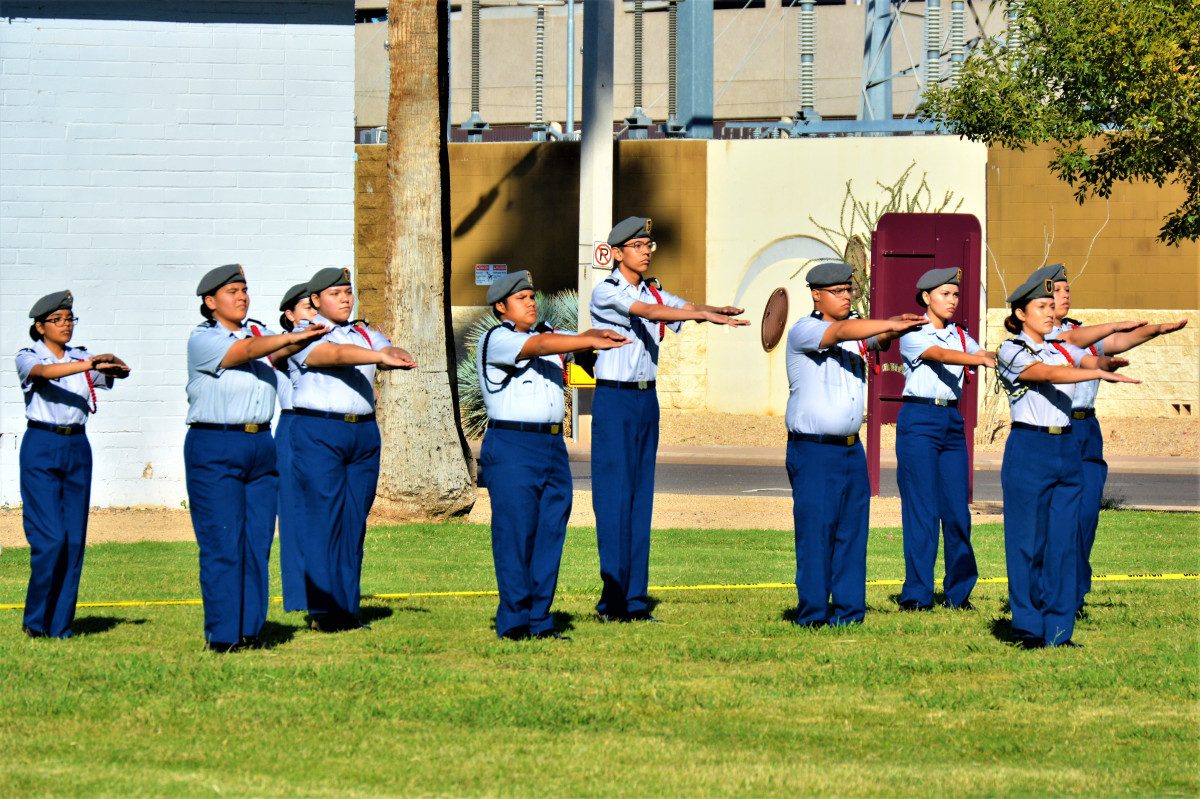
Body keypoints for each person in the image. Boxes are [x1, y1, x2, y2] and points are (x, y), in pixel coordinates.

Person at [588, 216, 750, 622]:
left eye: (649, 245)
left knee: (640, 501)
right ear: (618, 252)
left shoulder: (653, 289)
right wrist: (703, 316)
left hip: (646, 400)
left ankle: (636, 602)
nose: (646, 251)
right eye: (638, 245)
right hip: (614, 399)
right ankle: (612, 602)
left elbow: (683, 307)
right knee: (614, 500)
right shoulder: (607, 291)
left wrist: (713, 311)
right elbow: (647, 311)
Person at [477, 271, 629, 640]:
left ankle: (540, 621)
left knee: (550, 534)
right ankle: (514, 622)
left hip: (552, 446)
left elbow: (567, 346)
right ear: (501, 307)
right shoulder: (498, 338)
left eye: (532, 296)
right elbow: (540, 346)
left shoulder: (547, 334)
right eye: (521, 298)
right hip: (513, 443)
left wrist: (596, 340)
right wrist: (584, 339)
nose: (531, 302)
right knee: (516, 534)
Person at [185, 264, 328, 652]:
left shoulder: (260, 332)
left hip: (260, 442)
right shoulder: (203, 338)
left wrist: (306, 336)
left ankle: (250, 630)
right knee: (223, 541)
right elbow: (246, 352)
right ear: (210, 302)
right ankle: (223, 636)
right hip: (216, 442)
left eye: (244, 290)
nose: (242, 297)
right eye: (232, 291)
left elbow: (278, 350)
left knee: (257, 542)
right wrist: (291, 337)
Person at [995, 271, 1141, 649]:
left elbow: (1088, 356)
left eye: (1051, 306)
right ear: (1020, 314)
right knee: (1028, 544)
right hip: (1030, 446)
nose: (1049, 312)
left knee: (1063, 545)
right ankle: (1028, 628)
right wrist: (1090, 369)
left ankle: (1059, 632)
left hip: (1067, 447)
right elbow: (1043, 374)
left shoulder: (1061, 347)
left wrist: (1105, 366)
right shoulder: (1012, 350)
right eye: (1041, 306)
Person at [1037, 263, 1189, 615]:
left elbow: (1119, 341)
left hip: (1087, 429)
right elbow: (1077, 344)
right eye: (1058, 290)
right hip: (1055, 429)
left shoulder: (1081, 330)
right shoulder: (1039, 338)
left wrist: (1155, 330)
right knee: (1055, 519)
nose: (1065, 295)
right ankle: (1048, 592)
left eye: (1068, 289)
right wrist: (1110, 334)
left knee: (1087, 515)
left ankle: (1074, 595)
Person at [784, 262, 927, 627]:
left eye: (849, 290)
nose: (846, 296)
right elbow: (843, 331)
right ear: (816, 294)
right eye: (838, 291)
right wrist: (887, 324)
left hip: (850, 449)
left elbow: (876, 337)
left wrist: (896, 326)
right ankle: (814, 615)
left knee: (852, 533)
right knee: (817, 535)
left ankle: (849, 612)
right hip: (813, 449)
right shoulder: (805, 329)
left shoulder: (855, 329)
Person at [287, 267, 415, 633]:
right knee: (324, 520)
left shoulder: (363, 332)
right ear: (315, 300)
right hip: (320, 431)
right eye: (335, 294)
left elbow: (383, 346)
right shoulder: (303, 334)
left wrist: (394, 352)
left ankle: (346, 609)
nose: (345, 299)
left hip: (363, 433)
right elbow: (334, 355)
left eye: (348, 292)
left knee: (353, 522)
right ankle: (325, 612)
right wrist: (379, 357)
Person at [16, 291, 130, 639]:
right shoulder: (28, 355)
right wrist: (89, 365)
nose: (66, 325)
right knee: (51, 538)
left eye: (70, 319)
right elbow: (44, 373)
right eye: (57, 320)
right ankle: (36, 621)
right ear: (40, 326)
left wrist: (110, 361)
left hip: (77, 445)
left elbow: (117, 374)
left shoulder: (82, 356)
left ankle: (60, 626)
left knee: (73, 541)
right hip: (42, 443)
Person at [896, 267, 996, 612]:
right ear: (926, 297)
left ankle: (959, 594)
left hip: (952, 420)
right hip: (919, 418)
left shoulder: (962, 336)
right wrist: (980, 359)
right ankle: (917, 595)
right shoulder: (913, 332)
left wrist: (1010, 359)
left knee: (957, 512)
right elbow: (939, 355)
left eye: (955, 294)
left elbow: (986, 356)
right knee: (922, 511)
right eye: (944, 294)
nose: (952, 300)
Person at [275, 282, 319, 613]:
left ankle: (326, 590)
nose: (314, 313)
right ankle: (298, 597)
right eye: (308, 307)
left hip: (326, 426)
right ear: (290, 315)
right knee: (293, 513)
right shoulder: (283, 344)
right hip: (294, 423)